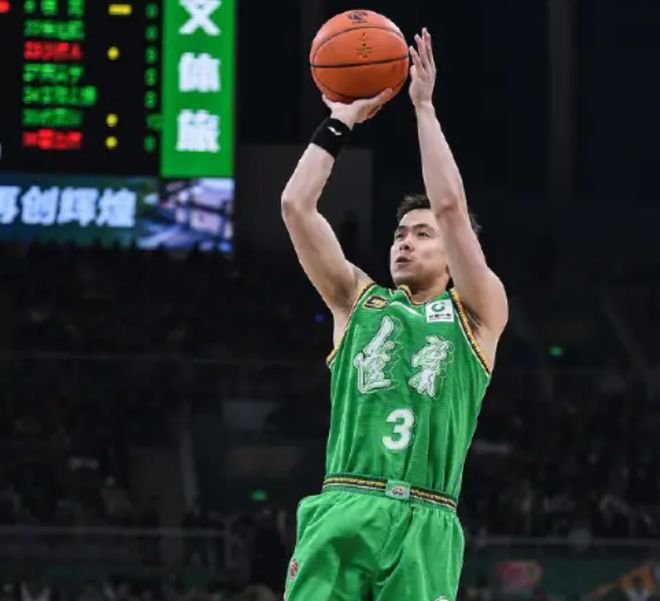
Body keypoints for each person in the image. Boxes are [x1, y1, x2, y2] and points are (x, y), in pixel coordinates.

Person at [280, 27, 508, 601]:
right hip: (344, 504)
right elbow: (295, 206)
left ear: (454, 255)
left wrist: (423, 108)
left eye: (422, 234)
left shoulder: (478, 313)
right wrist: (340, 120)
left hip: (425, 520)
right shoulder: (357, 300)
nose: (405, 241)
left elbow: (451, 207)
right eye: (400, 233)